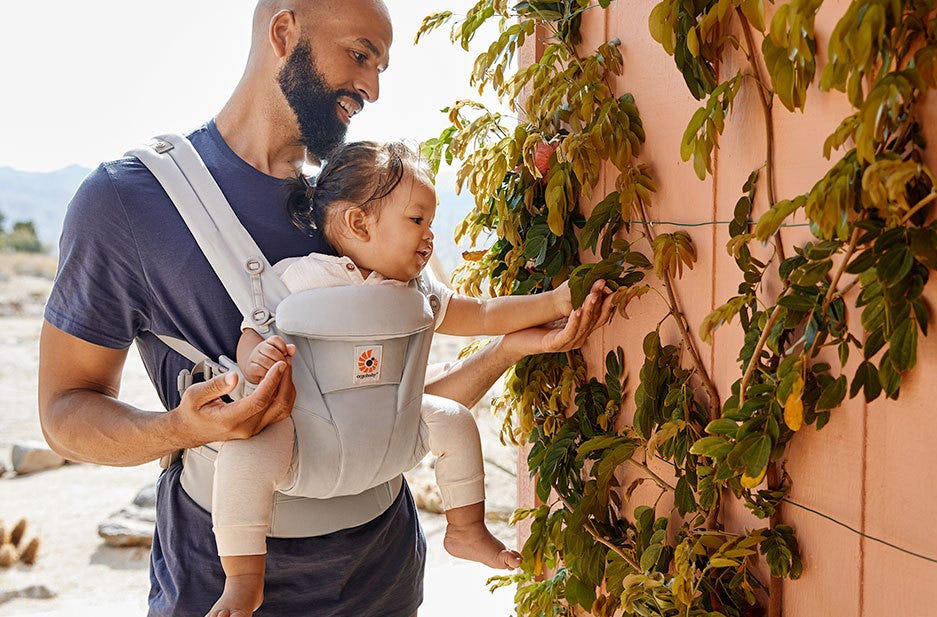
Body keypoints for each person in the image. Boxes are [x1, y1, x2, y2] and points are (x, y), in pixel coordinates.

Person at [37, 1, 613, 615]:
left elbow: (394, 415)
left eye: (382, 67)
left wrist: (507, 349)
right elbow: (64, 413)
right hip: (226, 591)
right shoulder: (131, 202)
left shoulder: (364, 211)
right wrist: (181, 428)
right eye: (360, 55)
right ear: (284, 31)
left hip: (385, 577)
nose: (371, 86)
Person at [210, 140, 581, 616]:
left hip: (390, 435)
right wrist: (256, 357)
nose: (429, 235)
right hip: (304, 441)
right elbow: (251, 331)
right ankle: (244, 579)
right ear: (358, 222)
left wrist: (555, 302)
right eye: (416, 220)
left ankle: (466, 529)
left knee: (452, 418)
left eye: (431, 221)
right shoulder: (301, 278)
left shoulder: (417, 290)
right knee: (243, 457)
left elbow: (485, 313)